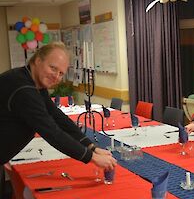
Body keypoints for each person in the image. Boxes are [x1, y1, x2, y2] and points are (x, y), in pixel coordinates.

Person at [0, 41, 117, 170]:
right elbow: (51, 131)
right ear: (38, 61)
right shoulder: (24, 89)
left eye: (61, 73)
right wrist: (92, 158)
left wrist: (91, 147)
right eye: (53, 68)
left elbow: (57, 116)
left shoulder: (32, 81)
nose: (56, 76)